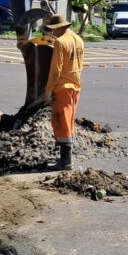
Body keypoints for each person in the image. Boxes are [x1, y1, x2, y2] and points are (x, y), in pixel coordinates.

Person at [42, 13, 85, 171]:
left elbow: (55, 70)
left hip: (62, 87)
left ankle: (65, 161)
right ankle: (65, 158)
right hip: (75, 87)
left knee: (62, 122)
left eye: (53, 30)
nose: (52, 33)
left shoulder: (60, 42)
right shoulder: (78, 40)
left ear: (59, 28)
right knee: (69, 121)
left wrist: (48, 91)